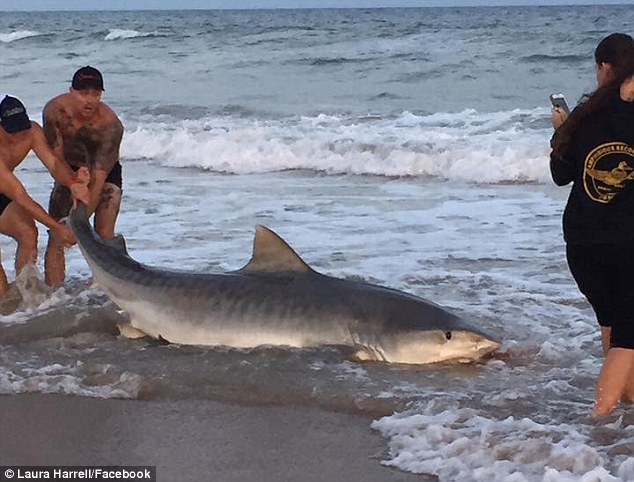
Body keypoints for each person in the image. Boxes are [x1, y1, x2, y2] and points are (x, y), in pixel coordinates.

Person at [550, 38, 634, 416]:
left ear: (603, 68)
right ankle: (598, 424)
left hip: (582, 245)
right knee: (628, 337)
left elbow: (560, 175)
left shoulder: (582, 117)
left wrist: (561, 133)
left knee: (614, 324)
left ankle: (625, 411)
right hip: (626, 243)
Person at [43, 66, 124, 287]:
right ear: (71, 91)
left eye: (96, 94)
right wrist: (72, 181)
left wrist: (79, 223)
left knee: (104, 231)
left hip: (104, 171)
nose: (89, 100)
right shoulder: (54, 112)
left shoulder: (110, 126)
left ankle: (108, 290)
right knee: (57, 234)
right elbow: (55, 160)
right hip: (67, 168)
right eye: (83, 93)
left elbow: (98, 179)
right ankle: (53, 297)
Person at [0, 94, 89, 296]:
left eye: (22, 127)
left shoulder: (31, 131)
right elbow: (20, 195)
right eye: (13, 130)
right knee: (0, 290)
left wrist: (72, 182)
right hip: (7, 186)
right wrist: (57, 227)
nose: (20, 135)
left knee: (29, 233)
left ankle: (26, 296)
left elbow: (54, 163)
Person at [552, 33, 634, 130]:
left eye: (597, 68)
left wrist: (562, 129)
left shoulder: (593, 113)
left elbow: (575, 143)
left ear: (605, 68)